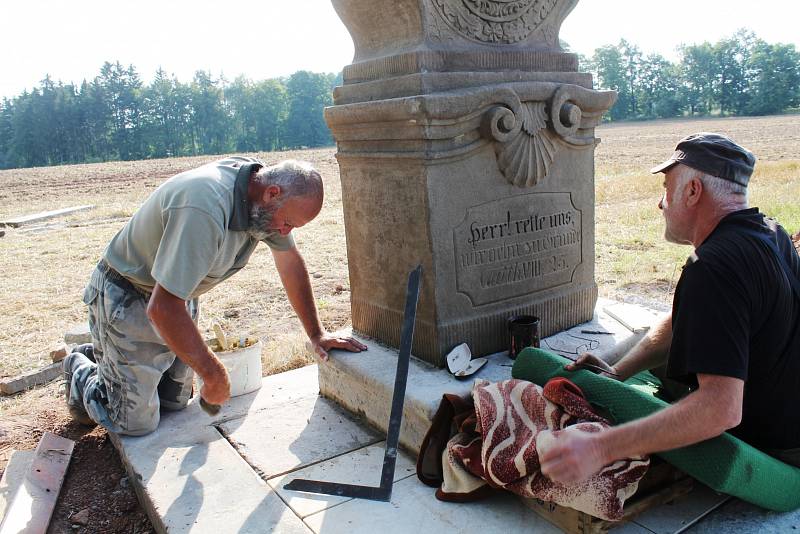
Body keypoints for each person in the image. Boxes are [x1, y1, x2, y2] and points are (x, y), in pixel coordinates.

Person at [539, 133, 800, 484]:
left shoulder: (713, 268)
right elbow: (685, 323)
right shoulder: (772, 232)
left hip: (775, 446)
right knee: (659, 341)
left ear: (693, 191)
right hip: (789, 409)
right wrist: (617, 371)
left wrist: (601, 448)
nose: (659, 204)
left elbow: (719, 410)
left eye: (666, 187)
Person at [63, 156, 367, 436]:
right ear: (272, 193)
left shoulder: (263, 200)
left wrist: (317, 334)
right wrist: (214, 374)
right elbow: (162, 307)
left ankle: (112, 359)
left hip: (177, 297)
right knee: (133, 423)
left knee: (174, 403)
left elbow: (289, 263)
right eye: (287, 223)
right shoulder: (204, 207)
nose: (285, 232)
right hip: (129, 295)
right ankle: (81, 366)